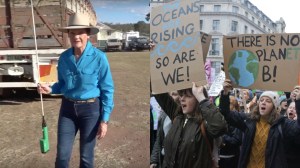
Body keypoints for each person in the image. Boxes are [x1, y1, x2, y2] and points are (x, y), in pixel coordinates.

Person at [37, 13, 114, 168]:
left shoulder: (99, 57)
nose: (76, 36)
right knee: (62, 157)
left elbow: (107, 89)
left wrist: (104, 120)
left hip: (90, 111)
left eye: (80, 32)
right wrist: (49, 88)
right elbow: (62, 84)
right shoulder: (64, 57)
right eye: (72, 33)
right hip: (67, 110)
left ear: (88, 34)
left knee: (86, 158)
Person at [220, 79, 300, 168]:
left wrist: (299, 102)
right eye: (261, 100)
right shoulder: (248, 120)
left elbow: (298, 129)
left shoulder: (282, 124)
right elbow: (226, 113)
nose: (263, 102)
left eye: (268, 101)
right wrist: (225, 93)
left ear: (274, 107)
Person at [154, 83, 227, 168]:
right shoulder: (177, 116)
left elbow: (220, 127)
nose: (182, 99)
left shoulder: (205, 124)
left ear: (197, 99)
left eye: (188, 96)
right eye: (181, 95)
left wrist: (202, 98)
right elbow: (158, 89)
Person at [150, 91, 179, 168]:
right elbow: (159, 139)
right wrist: (154, 160)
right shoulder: (163, 116)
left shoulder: (184, 117)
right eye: (170, 95)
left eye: (175, 94)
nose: (171, 97)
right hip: (164, 160)